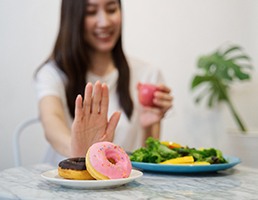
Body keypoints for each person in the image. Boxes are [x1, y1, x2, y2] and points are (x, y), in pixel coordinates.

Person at [34, 0, 173, 166]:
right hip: (65, 183)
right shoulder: (53, 73)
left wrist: (149, 126)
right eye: (91, 12)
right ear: (73, 18)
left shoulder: (148, 74)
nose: (105, 22)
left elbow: (147, 163)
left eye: (111, 9)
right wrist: (78, 151)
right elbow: (51, 122)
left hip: (119, 186)